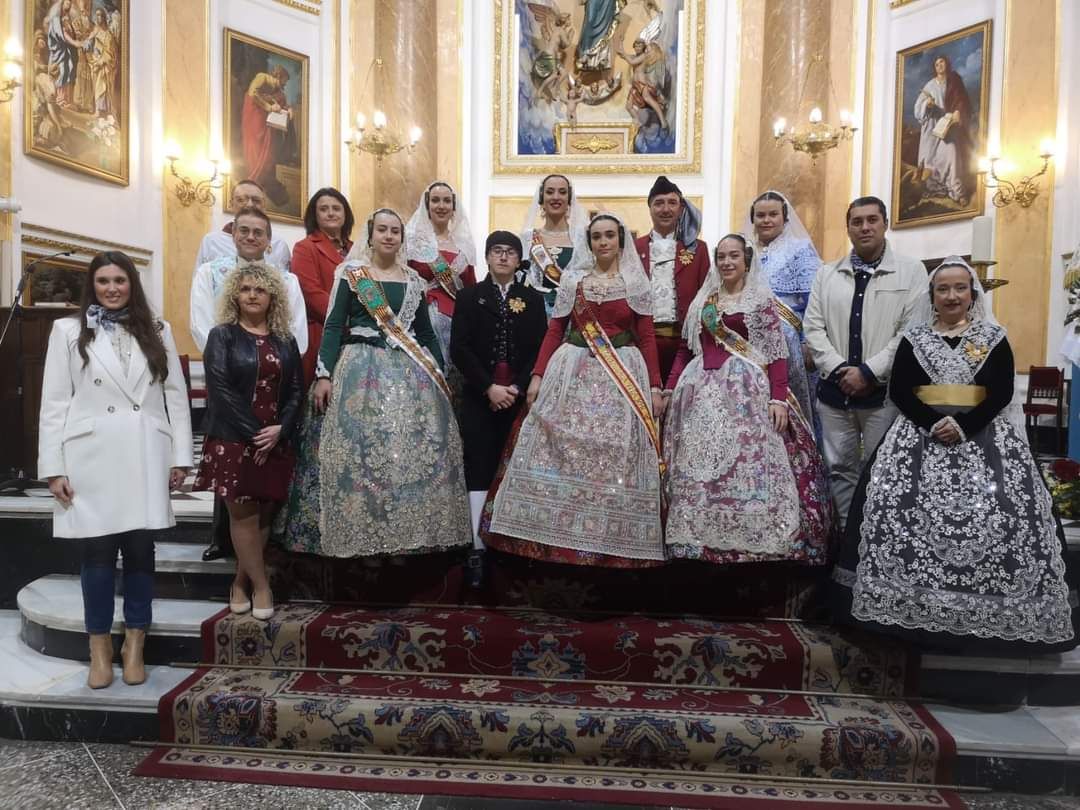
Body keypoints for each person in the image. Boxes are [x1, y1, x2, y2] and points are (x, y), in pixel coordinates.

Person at [832, 257, 1077, 653]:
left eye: (960, 288)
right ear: (932, 296)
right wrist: (932, 423)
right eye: (943, 289)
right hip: (918, 435)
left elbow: (999, 392)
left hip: (982, 438)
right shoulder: (915, 339)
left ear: (972, 293)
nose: (951, 296)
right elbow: (900, 391)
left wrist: (964, 426)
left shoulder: (993, 338)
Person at [277, 209, 472, 559]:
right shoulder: (352, 275)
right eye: (382, 229)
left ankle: (408, 529)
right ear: (371, 235)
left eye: (395, 231)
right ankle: (358, 527)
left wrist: (438, 373)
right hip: (359, 369)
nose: (388, 236)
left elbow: (425, 333)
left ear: (402, 237)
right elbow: (334, 325)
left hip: (410, 372)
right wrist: (324, 374)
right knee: (359, 451)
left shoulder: (413, 279)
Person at [38, 252, 192, 688]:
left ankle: (135, 643)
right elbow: (54, 403)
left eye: (119, 280)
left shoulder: (158, 330)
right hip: (91, 455)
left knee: (142, 552)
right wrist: (53, 467)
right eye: (103, 280)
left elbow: (175, 399)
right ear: (92, 284)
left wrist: (180, 457)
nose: (111, 288)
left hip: (145, 451)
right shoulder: (68, 331)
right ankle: (100, 647)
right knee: (98, 556)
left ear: (132, 284)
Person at [488, 213, 666, 567]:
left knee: (614, 455)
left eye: (609, 236)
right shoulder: (574, 279)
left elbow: (646, 336)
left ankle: (609, 541)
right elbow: (555, 331)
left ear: (620, 240)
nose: (603, 242)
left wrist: (655, 386)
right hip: (571, 369)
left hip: (621, 375)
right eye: (596, 236)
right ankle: (550, 539)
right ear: (589, 242)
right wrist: (538, 375)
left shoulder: (636, 282)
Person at [663, 235, 832, 563]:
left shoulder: (759, 300)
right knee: (700, 464)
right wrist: (670, 389)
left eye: (734, 256)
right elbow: (685, 350)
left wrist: (779, 399)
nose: (727, 262)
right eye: (722, 256)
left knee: (745, 464)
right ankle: (695, 542)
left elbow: (776, 354)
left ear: (746, 260)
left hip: (746, 392)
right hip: (699, 390)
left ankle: (748, 542)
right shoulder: (704, 301)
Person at [191, 206, 306, 563]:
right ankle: (220, 538)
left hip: (273, 374)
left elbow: (296, 330)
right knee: (231, 466)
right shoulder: (211, 273)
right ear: (234, 234)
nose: (251, 237)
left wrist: (279, 360)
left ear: (269, 240)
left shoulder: (285, 280)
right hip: (230, 374)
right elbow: (201, 323)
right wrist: (226, 359)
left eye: (259, 232)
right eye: (244, 230)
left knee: (264, 469)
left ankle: (261, 546)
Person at [804, 196, 925, 528]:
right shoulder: (827, 274)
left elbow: (910, 331)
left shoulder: (912, 272)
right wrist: (842, 370)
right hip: (835, 392)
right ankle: (847, 541)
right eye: (857, 222)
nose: (865, 227)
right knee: (839, 469)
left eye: (872, 220)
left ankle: (878, 539)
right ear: (848, 228)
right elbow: (813, 327)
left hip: (882, 393)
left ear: (885, 223)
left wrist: (869, 371)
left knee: (883, 467)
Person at [194, 264, 302, 622]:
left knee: (266, 513)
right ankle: (261, 586)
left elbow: (296, 391)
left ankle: (239, 583)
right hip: (234, 439)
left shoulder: (286, 339)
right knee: (243, 514)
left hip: (275, 439)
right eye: (245, 289)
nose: (252, 295)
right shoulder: (221, 336)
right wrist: (256, 433)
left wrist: (280, 430)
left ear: (273, 296)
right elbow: (220, 390)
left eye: (260, 289)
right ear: (235, 296)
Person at [450, 230, 547, 586]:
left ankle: (512, 545)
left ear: (519, 260)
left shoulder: (533, 300)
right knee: (479, 467)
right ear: (487, 258)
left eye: (510, 252)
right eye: (496, 251)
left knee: (516, 467)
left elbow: (540, 347)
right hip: (479, 397)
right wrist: (489, 387)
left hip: (520, 399)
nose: (503, 257)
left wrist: (518, 387)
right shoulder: (469, 297)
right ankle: (477, 549)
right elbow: (459, 349)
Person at [746, 190, 822, 433]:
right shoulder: (744, 251)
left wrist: (807, 341)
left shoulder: (800, 249)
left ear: (784, 218)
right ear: (753, 220)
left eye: (773, 215)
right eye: (760, 215)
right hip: (749, 340)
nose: (766, 220)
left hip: (789, 340)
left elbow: (813, 300)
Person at [405, 180, 477, 399]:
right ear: (427, 205)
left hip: (459, 322)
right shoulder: (412, 242)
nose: (441, 205)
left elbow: (471, 287)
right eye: (435, 200)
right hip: (424, 320)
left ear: (454, 207)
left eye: (447, 200)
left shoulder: (464, 245)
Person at [634, 175, 710, 383]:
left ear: (681, 208)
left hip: (685, 344)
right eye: (658, 203)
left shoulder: (698, 249)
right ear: (649, 208)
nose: (665, 209)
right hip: (643, 342)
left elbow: (708, 296)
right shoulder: (634, 248)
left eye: (672, 203)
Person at [291, 187, 355, 385]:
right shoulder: (305, 247)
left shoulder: (357, 249)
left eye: (337, 208)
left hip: (358, 337)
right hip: (323, 331)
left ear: (345, 214)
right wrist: (351, 318)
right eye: (324, 209)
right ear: (314, 215)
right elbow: (311, 294)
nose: (331, 213)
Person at [520, 174, 588, 316]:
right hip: (534, 313)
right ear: (541, 198)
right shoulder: (528, 238)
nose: (556, 197)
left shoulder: (582, 238)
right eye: (550, 192)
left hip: (574, 314)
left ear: (569, 199)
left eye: (562, 192)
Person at [913, 55, 975, 206]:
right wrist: (926, 105)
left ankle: (957, 191)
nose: (939, 65)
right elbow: (918, 108)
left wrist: (957, 112)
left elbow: (961, 100)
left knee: (951, 154)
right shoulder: (929, 85)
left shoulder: (954, 81)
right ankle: (934, 188)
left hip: (947, 125)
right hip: (932, 127)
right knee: (930, 159)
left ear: (947, 64)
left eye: (942, 62)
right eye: (936, 63)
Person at [194, 179, 292, 272]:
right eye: (241, 200)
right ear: (231, 204)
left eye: (256, 200)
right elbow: (199, 284)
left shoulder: (279, 245)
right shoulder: (211, 241)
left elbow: (285, 285)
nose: (249, 204)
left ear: (264, 206)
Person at [241, 64, 292, 195]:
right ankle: (252, 179)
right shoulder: (262, 77)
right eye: (285, 81)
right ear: (279, 77)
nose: (285, 84)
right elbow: (252, 93)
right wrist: (269, 107)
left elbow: (281, 102)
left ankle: (260, 179)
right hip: (253, 114)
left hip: (265, 118)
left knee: (267, 149)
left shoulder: (278, 91)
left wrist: (289, 108)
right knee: (255, 145)